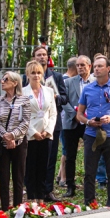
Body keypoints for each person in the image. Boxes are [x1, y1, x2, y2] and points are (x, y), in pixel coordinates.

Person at [76, 55, 110, 206]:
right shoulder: (87, 89)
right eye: (95, 67)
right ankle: (89, 203)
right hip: (92, 135)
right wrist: (88, 121)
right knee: (89, 172)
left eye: (100, 66)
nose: (97, 69)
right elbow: (79, 114)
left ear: (108, 69)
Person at [33, 46, 67, 200]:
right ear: (34, 58)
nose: (42, 57)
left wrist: (54, 97)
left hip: (52, 123)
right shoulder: (27, 76)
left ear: (48, 57)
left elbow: (65, 99)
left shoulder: (57, 77)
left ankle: (48, 190)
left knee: (50, 158)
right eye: (38, 55)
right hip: (33, 125)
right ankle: (34, 189)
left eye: (44, 55)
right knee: (34, 158)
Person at [0, 72, 31, 209]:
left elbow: (25, 122)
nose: (2, 81)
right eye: (2, 79)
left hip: (19, 143)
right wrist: (6, 136)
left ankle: (17, 207)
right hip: (3, 144)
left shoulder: (24, 100)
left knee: (18, 176)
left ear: (15, 83)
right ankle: (4, 207)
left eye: (6, 79)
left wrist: (13, 136)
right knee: (3, 176)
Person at [23, 60, 57, 201]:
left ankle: (41, 197)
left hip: (45, 135)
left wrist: (47, 130)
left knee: (44, 167)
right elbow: (22, 116)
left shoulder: (49, 91)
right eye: (33, 73)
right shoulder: (23, 92)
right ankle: (31, 197)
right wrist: (32, 132)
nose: (36, 76)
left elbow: (53, 113)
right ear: (28, 75)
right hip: (30, 135)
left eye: (38, 73)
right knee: (31, 167)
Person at [62, 55, 93, 197]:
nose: (79, 67)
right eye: (78, 65)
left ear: (89, 66)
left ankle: (90, 185)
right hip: (71, 123)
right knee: (70, 156)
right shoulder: (69, 82)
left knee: (91, 155)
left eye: (82, 65)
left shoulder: (95, 82)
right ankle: (70, 186)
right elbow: (64, 101)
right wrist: (74, 115)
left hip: (90, 124)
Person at [57, 57, 78, 187]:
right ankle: (64, 178)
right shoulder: (65, 81)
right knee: (66, 151)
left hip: (67, 120)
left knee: (66, 150)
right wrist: (75, 115)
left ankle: (60, 175)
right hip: (66, 121)